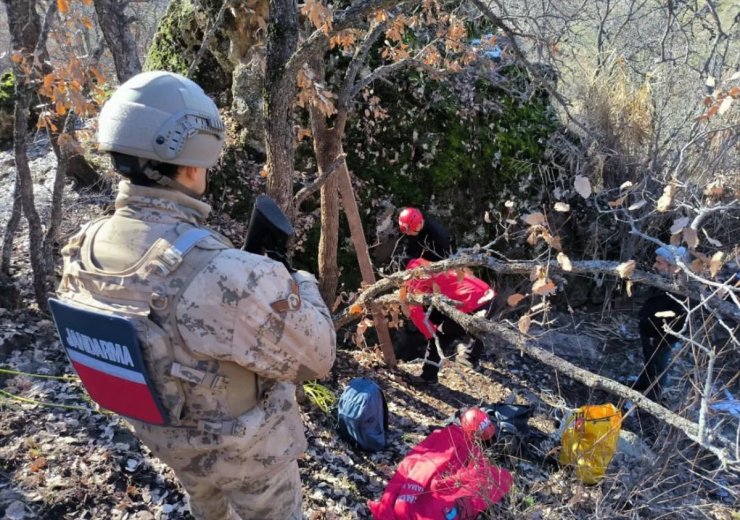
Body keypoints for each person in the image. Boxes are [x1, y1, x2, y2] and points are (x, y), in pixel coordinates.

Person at [53, 71, 336, 520]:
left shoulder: (82, 247)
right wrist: (296, 280)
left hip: (170, 443)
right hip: (250, 459)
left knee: (206, 507)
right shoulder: (225, 274)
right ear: (190, 164)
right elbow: (317, 356)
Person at [403, 258, 495, 385]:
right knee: (478, 328)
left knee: (440, 335)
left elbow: (415, 311)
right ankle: (470, 358)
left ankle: (427, 376)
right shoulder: (434, 265)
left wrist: (431, 334)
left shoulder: (415, 277)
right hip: (488, 295)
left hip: (474, 303)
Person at [632, 245, 689, 402]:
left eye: (660, 263)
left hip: (661, 339)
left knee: (658, 366)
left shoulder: (683, 291)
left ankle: (652, 399)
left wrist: (660, 340)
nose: (654, 266)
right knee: (648, 360)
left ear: (675, 268)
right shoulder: (662, 279)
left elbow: (679, 321)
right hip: (648, 331)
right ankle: (642, 384)